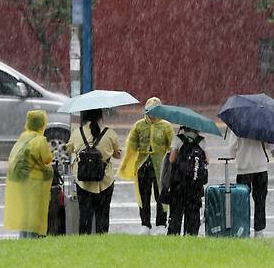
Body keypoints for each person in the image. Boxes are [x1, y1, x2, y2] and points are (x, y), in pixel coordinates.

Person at [118, 97, 174, 235]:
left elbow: (172, 147)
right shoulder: (138, 126)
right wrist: (126, 163)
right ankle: (145, 224)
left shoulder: (166, 126)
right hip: (143, 165)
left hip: (160, 166)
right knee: (143, 196)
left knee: (161, 195)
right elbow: (131, 146)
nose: (153, 114)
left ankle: (161, 224)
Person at [66, 108, 121, 234]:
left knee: (85, 215)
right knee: (103, 214)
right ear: (100, 116)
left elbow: (69, 149)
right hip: (105, 180)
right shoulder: (109, 133)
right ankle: (101, 242)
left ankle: (84, 243)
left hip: (83, 180)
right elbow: (118, 155)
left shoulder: (77, 132)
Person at [4, 110, 54, 238]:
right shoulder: (40, 140)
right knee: (34, 212)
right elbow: (47, 159)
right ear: (42, 124)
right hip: (35, 181)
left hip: (21, 180)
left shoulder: (23, 136)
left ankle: (23, 238)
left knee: (25, 212)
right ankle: (32, 240)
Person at [226, 130, 273, 238]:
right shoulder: (262, 124)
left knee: (242, 202)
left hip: (243, 168)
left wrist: (237, 153)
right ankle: (259, 231)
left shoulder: (237, 125)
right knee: (260, 201)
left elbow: (232, 149)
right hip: (260, 167)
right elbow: (270, 146)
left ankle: (243, 229)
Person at [167, 126, 209, 236]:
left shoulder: (178, 139)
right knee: (193, 211)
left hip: (179, 182)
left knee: (176, 210)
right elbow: (207, 159)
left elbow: (172, 159)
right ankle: (191, 233)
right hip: (195, 184)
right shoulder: (201, 140)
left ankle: (174, 233)